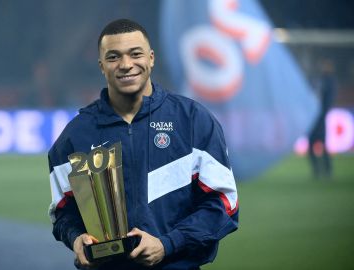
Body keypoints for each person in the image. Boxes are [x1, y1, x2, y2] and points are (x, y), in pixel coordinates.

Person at [48, 19, 238, 270]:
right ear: (101, 66)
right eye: (113, 57)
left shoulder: (192, 121)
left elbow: (223, 204)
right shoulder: (75, 136)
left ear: (151, 58)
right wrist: (76, 238)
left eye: (135, 54)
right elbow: (63, 211)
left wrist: (167, 244)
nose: (126, 65)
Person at [308, 58, 337, 179]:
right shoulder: (319, 80)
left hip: (320, 118)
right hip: (314, 118)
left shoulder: (329, 81)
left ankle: (327, 170)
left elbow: (328, 100)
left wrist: (322, 113)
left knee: (323, 145)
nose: (323, 68)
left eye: (325, 66)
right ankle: (317, 170)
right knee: (311, 146)